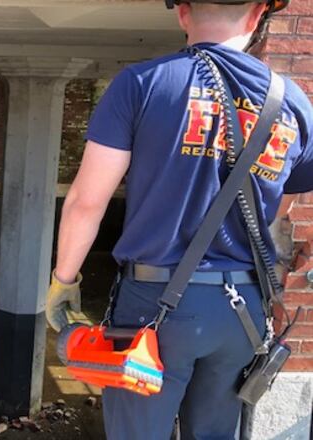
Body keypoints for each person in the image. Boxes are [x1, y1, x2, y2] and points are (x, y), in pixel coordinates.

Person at [45, 1, 313, 439]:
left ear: (182, 12)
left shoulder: (143, 84)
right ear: (258, 14)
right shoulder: (293, 104)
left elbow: (86, 203)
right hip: (242, 311)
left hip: (152, 306)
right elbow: (280, 205)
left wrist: (65, 280)